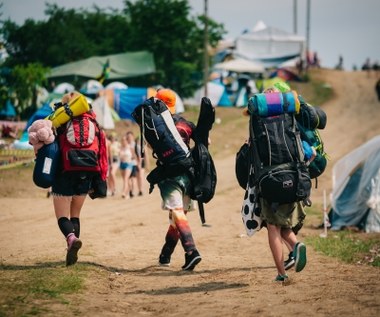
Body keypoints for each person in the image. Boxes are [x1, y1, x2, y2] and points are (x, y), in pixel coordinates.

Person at [243, 86, 308, 283]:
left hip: (270, 180)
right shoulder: (289, 115)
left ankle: (281, 273)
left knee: (273, 227)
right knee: (282, 222)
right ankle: (296, 246)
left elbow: (253, 153)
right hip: (293, 175)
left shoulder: (257, 119)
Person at [50, 91, 107, 266]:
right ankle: (72, 250)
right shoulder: (94, 122)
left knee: (62, 216)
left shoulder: (60, 121)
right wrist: (101, 177)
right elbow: (103, 151)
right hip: (87, 172)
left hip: (64, 172)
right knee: (75, 215)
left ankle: (71, 239)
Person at [153, 88, 202, 271]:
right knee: (177, 217)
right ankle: (165, 254)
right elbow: (207, 142)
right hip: (188, 174)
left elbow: (150, 145)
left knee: (177, 213)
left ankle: (191, 251)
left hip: (169, 174)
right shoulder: (186, 123)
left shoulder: (157, 123)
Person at [119, 134, 136, 199]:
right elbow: (119, 156)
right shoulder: (120, 147)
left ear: (127, 140)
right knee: (126, 180)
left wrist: (129, 158)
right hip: (122, 164)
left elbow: (134, 156)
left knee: (126, 178)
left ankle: (123, 192)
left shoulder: (130, 147)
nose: (123, 141)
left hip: (129, 164)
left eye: (124, 140)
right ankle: (128, 193)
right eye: (122, 140)